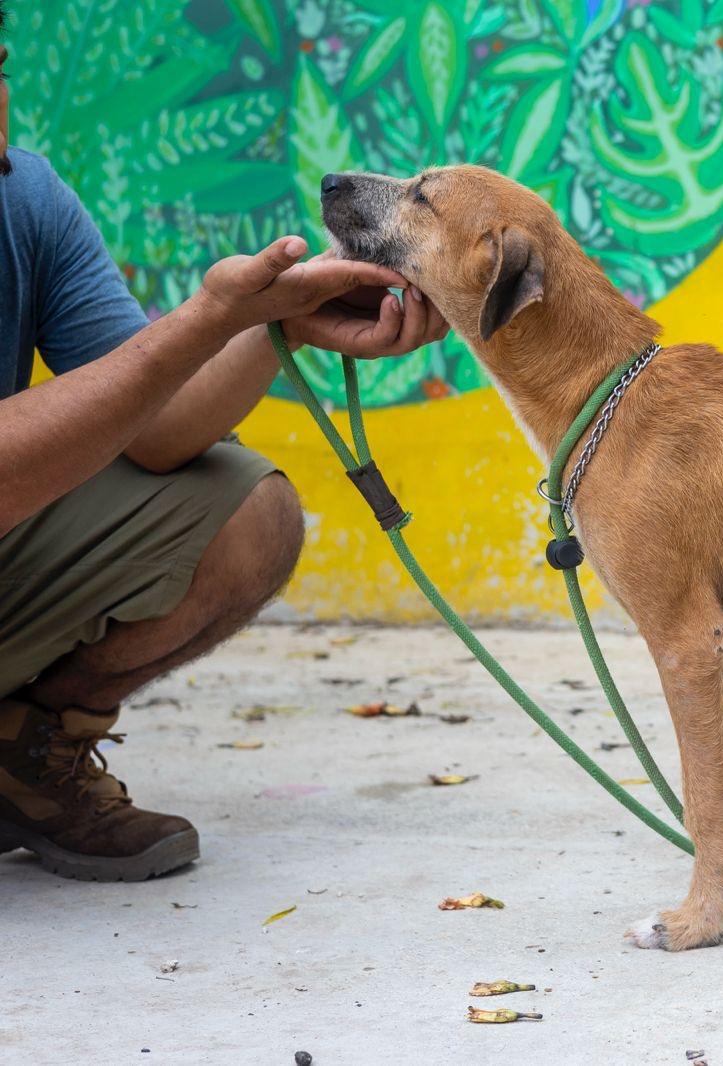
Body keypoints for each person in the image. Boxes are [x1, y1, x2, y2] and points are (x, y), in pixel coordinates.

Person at [0, 5, 446, 881]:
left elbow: (160, 431)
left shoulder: (27, 197)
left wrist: (275, 325)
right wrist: (207, 314)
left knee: (244, 509)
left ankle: (25, 754)